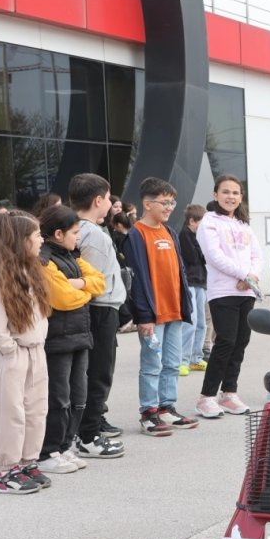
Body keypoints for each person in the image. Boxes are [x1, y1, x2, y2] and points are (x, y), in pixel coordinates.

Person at [0, 211, 52, 494]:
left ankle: (27, 461)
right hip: (13, 352)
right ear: (21, 240)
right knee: (13, 410)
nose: (41, 240)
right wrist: (9, 350)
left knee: (37, 409)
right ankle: (6, 469)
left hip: (35, 349)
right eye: (36, 235)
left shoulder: (32, 269)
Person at [127, 177, 200, 436]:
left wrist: (185, 305)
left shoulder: (169, 232)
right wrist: (143, 316)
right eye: (165, 202)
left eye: (172, 203)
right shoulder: (136, 234)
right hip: (153, 315)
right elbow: (137, 279)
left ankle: (166, 407)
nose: (170, 208)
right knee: (152, 365)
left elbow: (178, 271)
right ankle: (149, 412)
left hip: (174, 311)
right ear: (147, 204)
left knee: (171, 363)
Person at [37, 205, 105, 474]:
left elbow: (100, 280)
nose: (78, 237)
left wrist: (78, 285)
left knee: (79, 396)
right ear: (57, 233)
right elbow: (62, 299)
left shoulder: (72, 256)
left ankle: (65, 446)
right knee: (59, 398)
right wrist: (85, 289)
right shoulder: (45, 259)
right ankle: (48, 451)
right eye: (75, 232)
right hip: (57, 339)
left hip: (80, 335)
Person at [196, 174, 262, 418]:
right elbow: (214, 256)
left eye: (235, 193)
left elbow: (258, 255)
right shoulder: (209, 223)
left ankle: (229, 393)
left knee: (241, 342)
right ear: (215, 195)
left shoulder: (243, 224)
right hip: (223, 292)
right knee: (225, 342)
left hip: (246, 291)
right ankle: (206, 397)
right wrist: (244, 274)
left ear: (241, 197)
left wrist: (252, 277)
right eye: (225, 192)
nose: (230, 197)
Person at [72, 173, 127, 457]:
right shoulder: (91, 233)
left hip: (102, 308)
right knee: (99, 373)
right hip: (100, 309)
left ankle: (87, 428)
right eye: (107, 198)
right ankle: (89, 435)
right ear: (97, 200)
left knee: (94, 372)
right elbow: (91, 279)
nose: (110, 203)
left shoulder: (84, 229)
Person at [179, 204, 209, 376]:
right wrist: (201, 245)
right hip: (189, 282)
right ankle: (183, 360)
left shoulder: (199, 236)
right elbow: (193, 257)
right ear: (192, 221)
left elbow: (205, 258)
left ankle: (196, 358)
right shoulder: (185, 235)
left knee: (201, 322)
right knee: (190, 322)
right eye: (201, 223)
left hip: (200, 282)